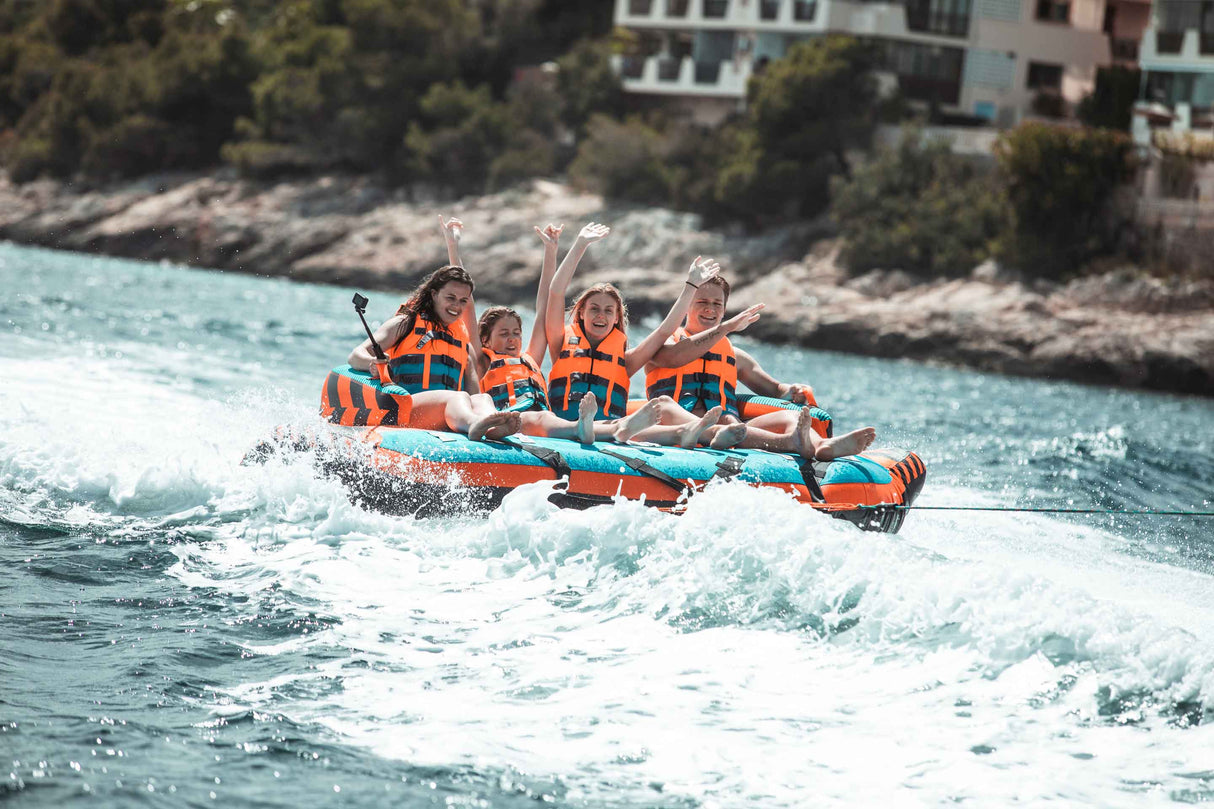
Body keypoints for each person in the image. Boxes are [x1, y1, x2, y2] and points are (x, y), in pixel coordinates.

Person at [544, 223, 745, 450]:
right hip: (564, 427)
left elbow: (663, 331)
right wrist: (580, 244)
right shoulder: (560, 344)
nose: (601, 315)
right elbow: (556, 292)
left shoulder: (626, 362)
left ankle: (697, 432)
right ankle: (700, 433)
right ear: (581, 312)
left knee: (659, 408)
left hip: (612, 427)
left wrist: (691, 286)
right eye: (594, 309)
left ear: (616, 317)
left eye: (608, 310)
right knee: (619, 426)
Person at [644, 274, 876, 460]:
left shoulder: (735, 357)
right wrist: (725, 328)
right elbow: (672, 358)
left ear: (724, 310)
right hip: (676, 426)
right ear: (686, 306)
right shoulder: (665, 344)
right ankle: (789, 443)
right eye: (702, 302)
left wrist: (791, 390)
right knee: (725, 423)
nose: (710, 309)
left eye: (717, 304)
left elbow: (775, 390)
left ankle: (822, 446)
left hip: (731, 428)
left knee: (789, 417)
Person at [346, 216, 520, 442]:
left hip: (446, 413)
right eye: (450, 298)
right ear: (434, 294)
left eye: (462, 301)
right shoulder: (404, 324)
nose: (457, 306)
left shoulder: (462, 344)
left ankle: (491, 427)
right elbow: (355, 356)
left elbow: (474, 393)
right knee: (454, 397)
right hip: (406, 408)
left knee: (482, 399)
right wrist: (373, 364)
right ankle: (474, 424)